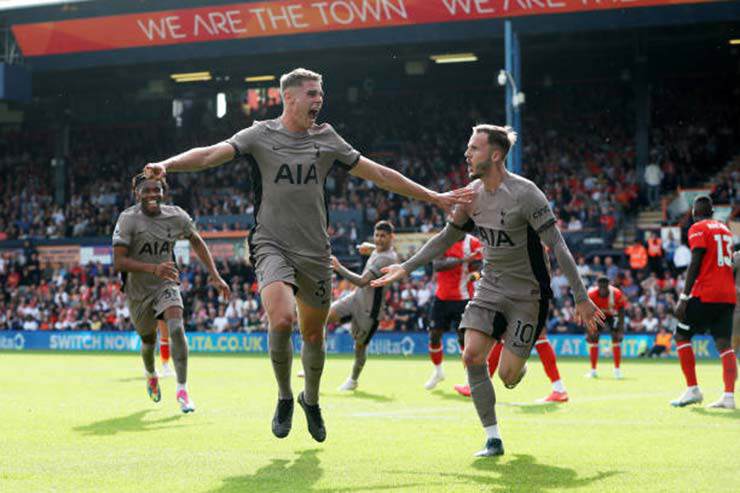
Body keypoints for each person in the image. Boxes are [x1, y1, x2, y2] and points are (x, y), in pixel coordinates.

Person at [143, 68, 473, 442]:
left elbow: (378, 173)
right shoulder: (259, 134)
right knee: (281, 320)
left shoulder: (327, 137)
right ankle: (284, 396)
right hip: (270, 243)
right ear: (290, 97)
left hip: (315, 250)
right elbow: (210, 155)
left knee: (313, 335)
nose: (319, 100)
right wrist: (167, 164)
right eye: (312, 94)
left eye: (321, 94)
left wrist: (432, 196)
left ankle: (310, 400)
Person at [372, 124, 603, 457]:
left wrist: (581, 298)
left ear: (495, 155)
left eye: (473, 148)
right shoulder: (471, 195)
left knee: (509, 376)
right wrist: (406, 267)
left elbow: (559, 246)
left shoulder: (526, 194)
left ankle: (518, 361)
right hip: (490, 287)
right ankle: (492, 437)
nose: (467, 153)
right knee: (471, 355)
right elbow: (445, 238)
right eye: (468, 147)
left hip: (528, 295)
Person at [113, 173, 230, 413]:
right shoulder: (127, 219)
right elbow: (118, 261)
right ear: (137, 194)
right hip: (138, 289)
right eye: (146, 190)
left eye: (157, 190)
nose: (152, 195)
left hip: (166, 283)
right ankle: (151, 373)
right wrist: (153, 268)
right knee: (148, 342)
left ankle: (182, 389)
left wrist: (214, 275)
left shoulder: (176, 215)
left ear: (163, 192)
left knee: (176, 328)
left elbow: (197, 241)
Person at [672, 196, 736, 409]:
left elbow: (696, 259)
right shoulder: (726, 230)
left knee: (681, 335)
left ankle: (693, 389)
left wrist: (684, 297)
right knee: (724, 346)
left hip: (706, 293)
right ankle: (729, 397)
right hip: (727, 295)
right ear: (713, 211)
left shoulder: (698, 228)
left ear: (693, 213)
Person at [328, 221, 399, 391]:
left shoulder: (386, 258)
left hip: (370, 310)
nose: (379, 239)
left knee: (359, 347)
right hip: (355, 299)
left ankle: (353, 380)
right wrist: (371, 247)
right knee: (325, 315)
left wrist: (338, 267)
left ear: (391, 237)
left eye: (383, 236)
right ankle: (313, 362)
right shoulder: (379, 251)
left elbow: (361, 281)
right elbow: (377, 248)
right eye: (377, 235)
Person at [424, 234, 482, 390]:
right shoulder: (443, 238)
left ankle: (469, 379)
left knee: (463, 339)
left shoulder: (473, 242)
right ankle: (438, 372)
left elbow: (481, 264)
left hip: (463, 298)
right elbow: (437, 265)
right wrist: (463, 260)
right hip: (441, 298)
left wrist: (476, 273)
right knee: (434, 335)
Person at [454, 332, 570, 403]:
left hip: (526, 295)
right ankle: (478, 386)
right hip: (530, 295)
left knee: (537, 336)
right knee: (504, 334)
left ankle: (559, 389)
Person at [585, 276, 627, 379]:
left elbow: (621, 311)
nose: (603, 289)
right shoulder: (591, 294)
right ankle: (593, 371)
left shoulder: (616, 294)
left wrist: (621, 330)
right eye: (601, 287)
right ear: (597, 286)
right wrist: (589, 330)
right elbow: (587, 312)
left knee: (616, 337)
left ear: (608, 286)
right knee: (593, 338)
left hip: (613, 315)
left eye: (605, 287)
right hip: (598, 315)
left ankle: (617, 370)